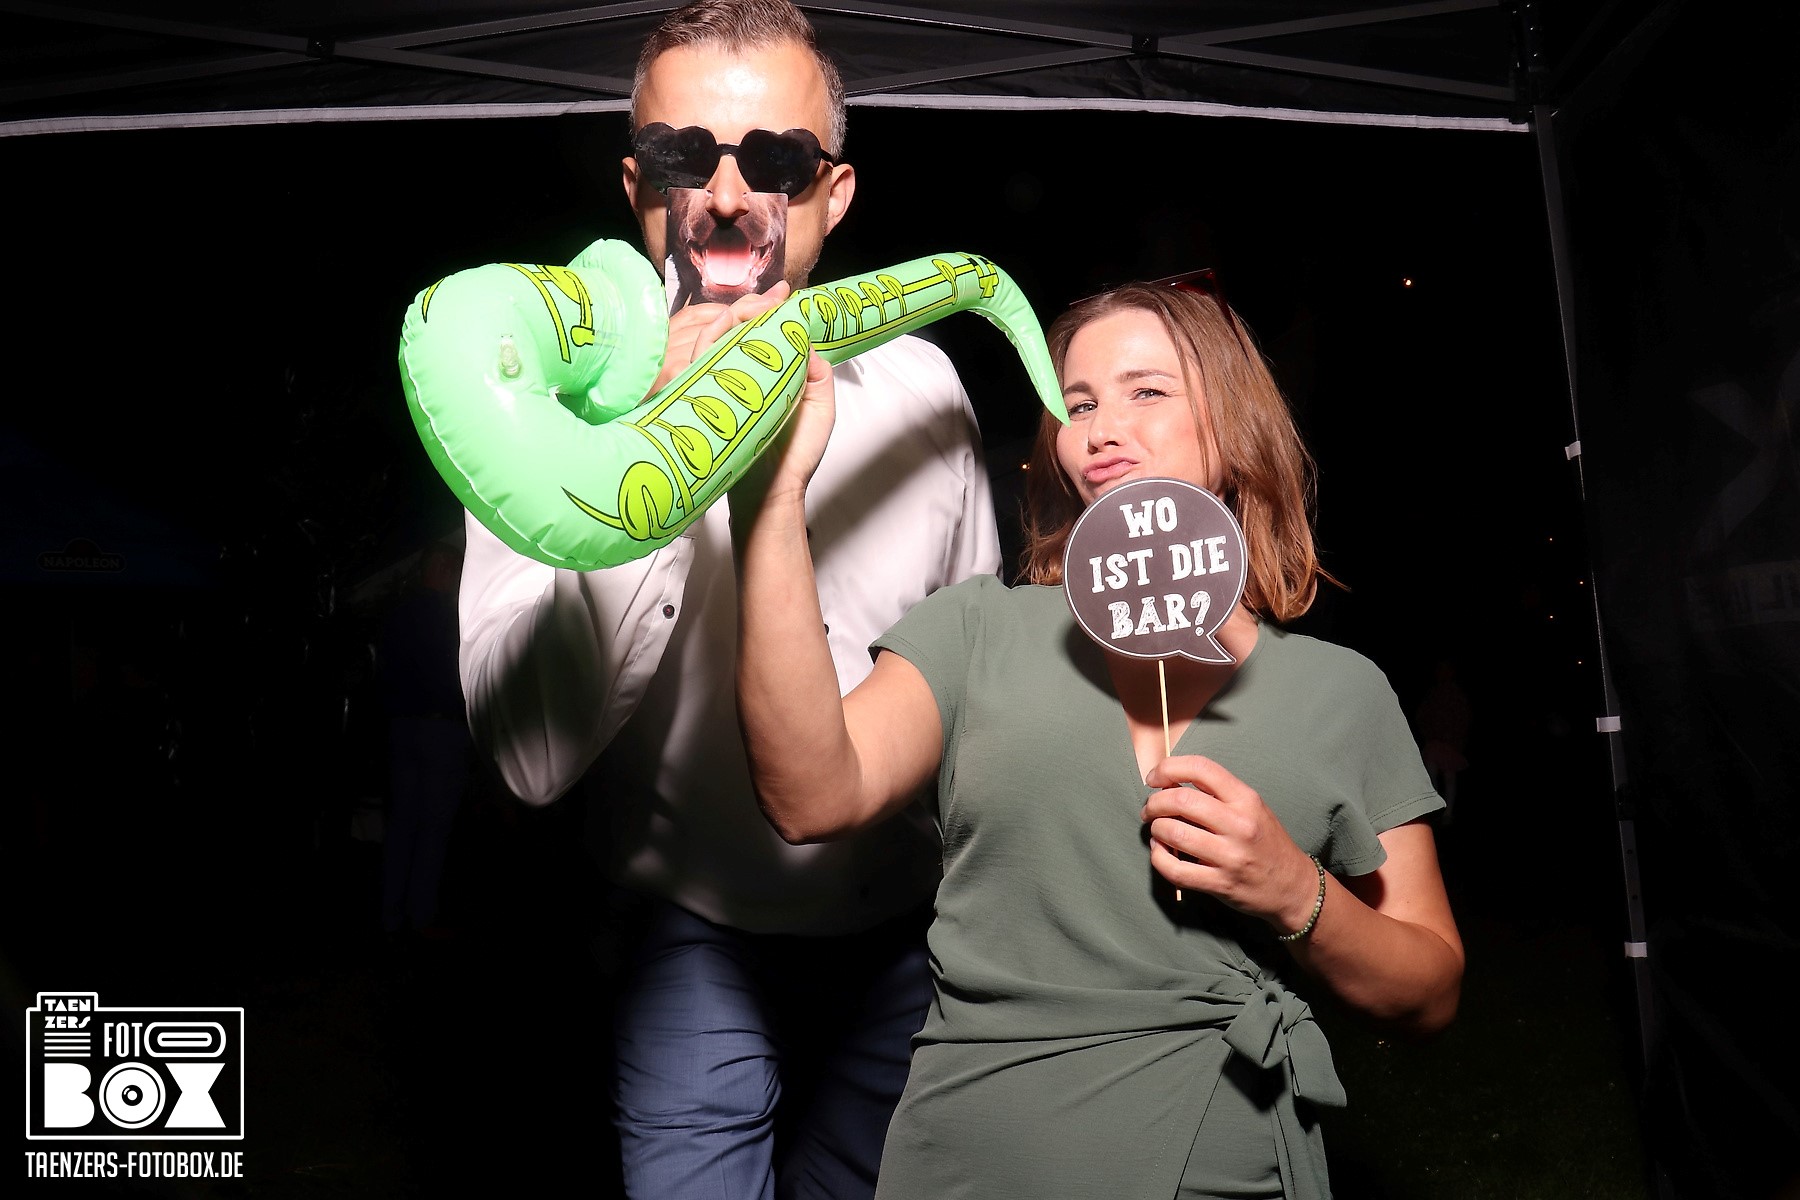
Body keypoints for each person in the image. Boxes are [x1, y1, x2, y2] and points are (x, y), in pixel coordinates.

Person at [730, 281, 1465, 1199]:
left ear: (1233, 422)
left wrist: (1293, 890)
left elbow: (1429, 992)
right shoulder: (977, 630)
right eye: (1077, 405)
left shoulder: (1342, 693)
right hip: (973, 1161)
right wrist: (773, 501)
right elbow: (808, 795)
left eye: (1145, 391)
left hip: (1220, 1163)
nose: (1100, 430)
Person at [455, 2, 1000, 1197]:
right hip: (685, 941)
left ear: (833, 194)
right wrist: (649, 444)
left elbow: (976, 679)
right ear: (637, 185)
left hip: (902, 946)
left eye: (779, 160)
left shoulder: (926, 388)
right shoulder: (532, 412)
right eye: (682, 155)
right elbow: (529, 757)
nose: (728, 195)